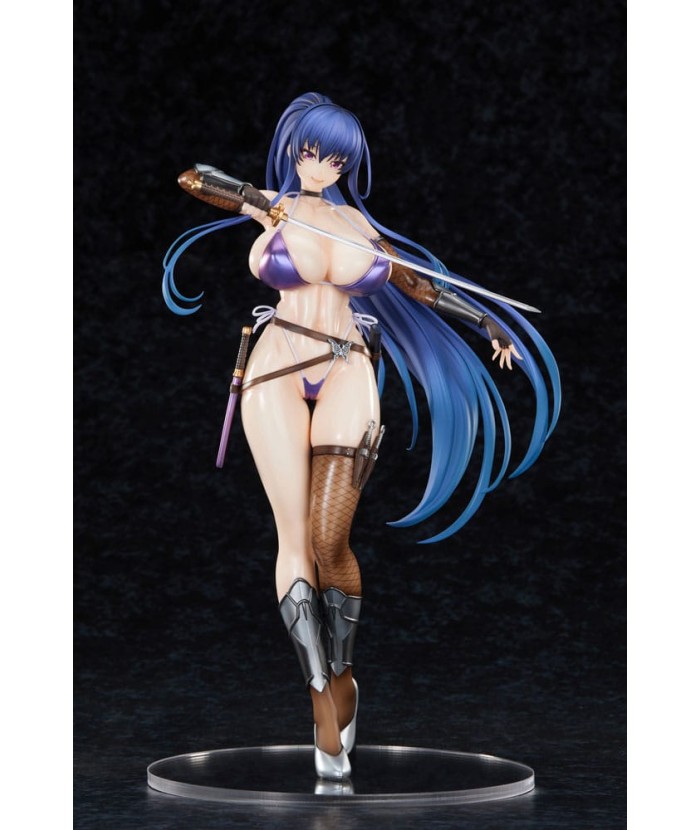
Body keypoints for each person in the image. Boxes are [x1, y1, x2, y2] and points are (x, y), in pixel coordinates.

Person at [163, 92, 560, 781]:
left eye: (337, 159)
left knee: (330, 538)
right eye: (311, 152)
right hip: (276, 367)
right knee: (294, 539)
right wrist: (256, 200)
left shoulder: (358, 226)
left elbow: (418, 287)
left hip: (347, 367)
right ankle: (321, 689)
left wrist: (488, 323)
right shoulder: (273, 206)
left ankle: (345, 671)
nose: (322, 166)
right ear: (293, 149)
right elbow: (194, 179)